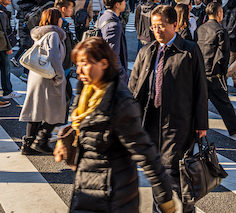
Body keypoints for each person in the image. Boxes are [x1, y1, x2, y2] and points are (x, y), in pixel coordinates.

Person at [56, 37, 178, 213]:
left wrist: (166, 200)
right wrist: (65, 139)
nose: (78, 70)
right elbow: (82, 124)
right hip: (86, 189)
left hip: (112, 195)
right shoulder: (86, 90)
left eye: (85, 63)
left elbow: (146, 154)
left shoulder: (120, 102)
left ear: (104, 63)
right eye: (77, 63)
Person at [128, 4, 208, 212]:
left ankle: (186, 208)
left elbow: (200, 88)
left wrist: (201, 124)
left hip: (178, 122)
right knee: (156, 172)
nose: (157, 30)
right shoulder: (147, 51)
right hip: (150, 120)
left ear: (174, 24)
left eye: (162, 26)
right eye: (154, 26)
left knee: (173, 173)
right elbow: (133, 85)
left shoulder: (189, 50)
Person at [19, 8, 67, 155]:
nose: (62, 20)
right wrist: (60, 75)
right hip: (49, 76)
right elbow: (54, 57)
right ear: (55, 20)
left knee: (36, 109)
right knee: (58, 107)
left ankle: (28, 143)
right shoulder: (53, 34)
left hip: (38, 74)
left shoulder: (41, 33)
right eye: (60, 18)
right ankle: (41, 138)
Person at [196, 2, 236, 136]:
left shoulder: (200, 28)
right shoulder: (220, 31)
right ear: (219, 13)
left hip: (200, 71)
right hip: (214, 72)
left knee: (198, 102)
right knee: (223, 102)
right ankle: (233, 126)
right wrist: (223, 72)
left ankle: (193, 126)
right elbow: (224, 55)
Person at [97, 0, 128, 83]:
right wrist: (123, 76)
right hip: (112, 79)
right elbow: (113, 56)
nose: (125, 3)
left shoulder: (103, 17)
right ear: (117, 4)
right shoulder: (113, 25)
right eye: (123, 1)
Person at [0, 0, 18, 99]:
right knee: (5, 68)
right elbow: (4, 31)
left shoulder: (2, 11)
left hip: (0, 44)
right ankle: (7, 91)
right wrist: (8, 47)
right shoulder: (2, 13)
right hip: (2, 45)